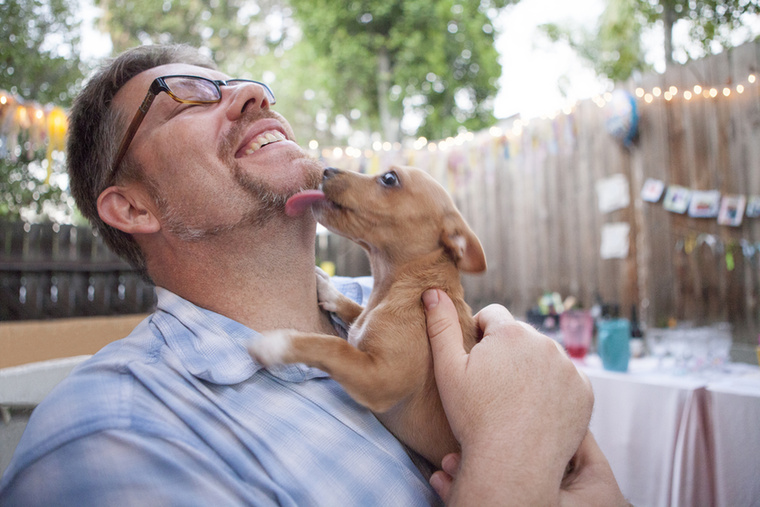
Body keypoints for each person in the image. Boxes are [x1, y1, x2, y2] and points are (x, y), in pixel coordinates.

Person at [0, 44, 625, 505]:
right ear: (132, 206)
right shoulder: (111, 436)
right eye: (187, 94)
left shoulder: (391, 304)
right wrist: (511, 459)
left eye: (246, 84)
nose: (254, 95)